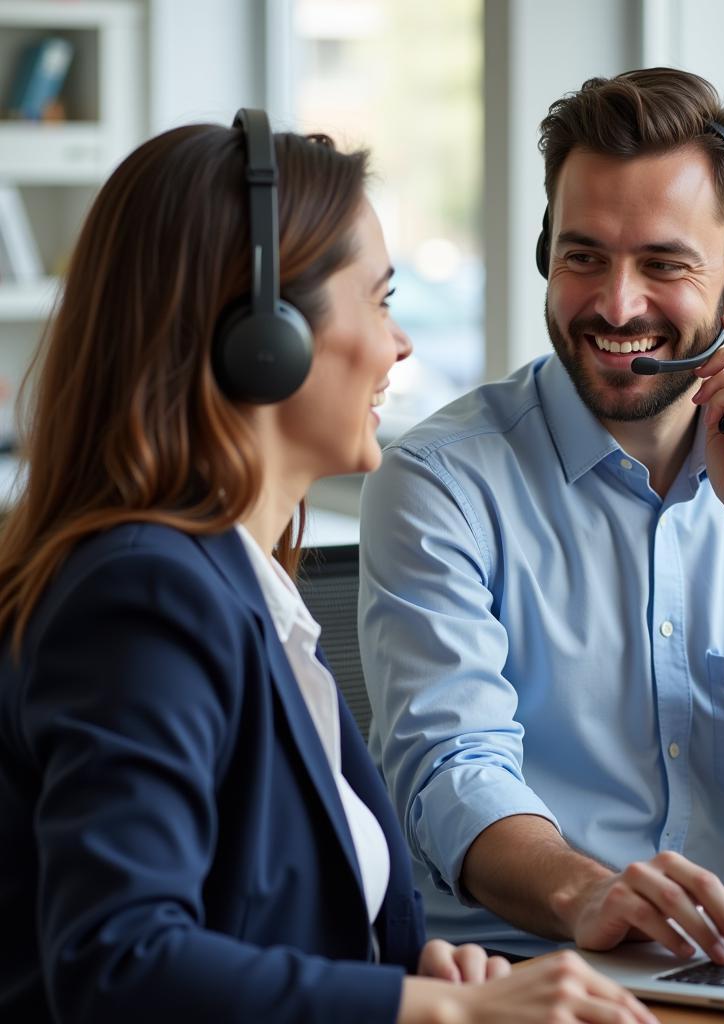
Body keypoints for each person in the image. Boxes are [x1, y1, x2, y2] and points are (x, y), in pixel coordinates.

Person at [0, 111, 658, 1024]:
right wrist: (435, 1013)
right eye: (380, 300)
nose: (401, 346)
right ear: (262, 337)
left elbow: (262, 919)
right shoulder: (141, 595)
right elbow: (122, 965)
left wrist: (416, 972)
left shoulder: (240, 584)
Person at [358, 68, 724, 961]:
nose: (615, 305)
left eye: (664, 264)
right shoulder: (439, 481)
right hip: (510, 973)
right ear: (546, 256)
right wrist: (595, 895)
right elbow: (453, 773)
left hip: (715, 963)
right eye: (584, 256)